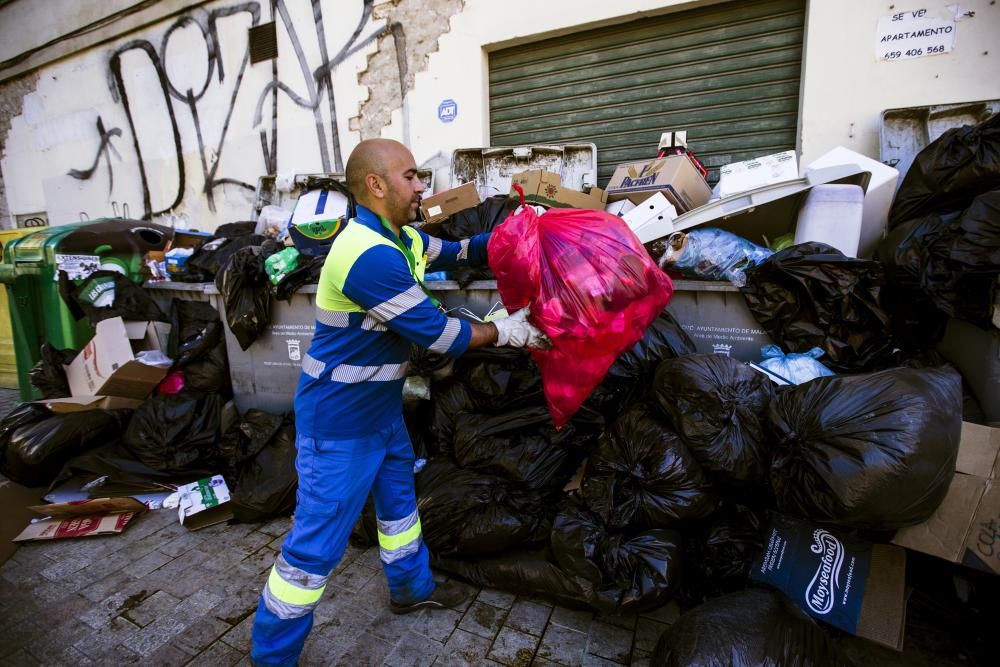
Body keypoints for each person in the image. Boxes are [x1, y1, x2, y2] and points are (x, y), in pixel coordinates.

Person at [250, 138, 548, 665]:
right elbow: (439, 334)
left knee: (399, 512)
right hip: (338, 424)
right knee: (311, 553)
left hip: (381, 412)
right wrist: (505, 333)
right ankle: (271, 657)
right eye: (410, 176)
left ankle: (411, 588)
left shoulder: (401, 238)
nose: (421, 186)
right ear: (376, 184)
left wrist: (518, 233)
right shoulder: (366, 257)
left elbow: (457, 251)